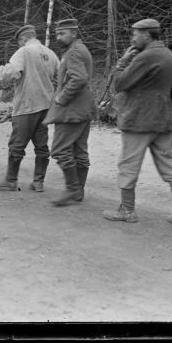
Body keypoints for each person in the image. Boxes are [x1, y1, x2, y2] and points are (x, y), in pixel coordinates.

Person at [103, 18, 172, 224]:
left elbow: (120, 83)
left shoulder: (145, 56)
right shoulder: (169, 55)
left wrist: (122, 62)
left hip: (139, 120)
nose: (132, 38)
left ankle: (127, 211)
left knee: (128, 165)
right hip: (163, 121)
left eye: (135, 34)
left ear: (147, 34)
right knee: (170, 168)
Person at [0, 24, 59, 192]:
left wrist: (1, 71)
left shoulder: (24, 52)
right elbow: (60, 76)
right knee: (41, 145)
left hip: (26, 104)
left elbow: (10, 74)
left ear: (22, 39)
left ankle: (11, 180)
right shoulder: (51, 54)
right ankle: (38, 182)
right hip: (45, 105)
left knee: (17, 144)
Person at [43, 18, 98, 206]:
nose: (58, 37)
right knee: (79, 150)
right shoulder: (79, 49)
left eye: (62, 33)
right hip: (83, 108)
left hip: (72, 110)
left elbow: (79, 78)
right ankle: (78, 191)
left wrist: (61, 98)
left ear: (74, 33)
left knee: (59, 149)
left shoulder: (73, 52)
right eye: (57, 33)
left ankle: (73, 189)